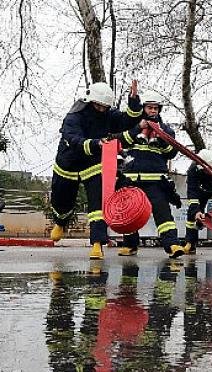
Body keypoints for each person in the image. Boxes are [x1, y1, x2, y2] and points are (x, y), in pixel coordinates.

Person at [48, 80, 143, 260]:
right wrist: (95, 143)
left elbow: (128, 120)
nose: (101, 110)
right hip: (68, 163)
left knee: (98, 204)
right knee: (61, 200)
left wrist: (133, 101)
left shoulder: (108, 114)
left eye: (104, 107)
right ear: (90, 101)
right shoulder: (73, 117)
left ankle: (98, 244)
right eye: (98, 106)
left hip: (93, 162)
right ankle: (60, 222)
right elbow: (74, 139)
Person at [116, 90, 185, 258]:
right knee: (130, 214)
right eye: (149, 108)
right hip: (133, 179)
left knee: (163, 214)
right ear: (143, 108)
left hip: (156, 181)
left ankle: (172, 245)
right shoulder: (132, 126)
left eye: (155, 108)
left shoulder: (166, 130)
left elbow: (171, 153)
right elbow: (120, 141)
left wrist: (161, 137)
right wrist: (138, 129)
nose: (153, 111)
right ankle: (130, 245)